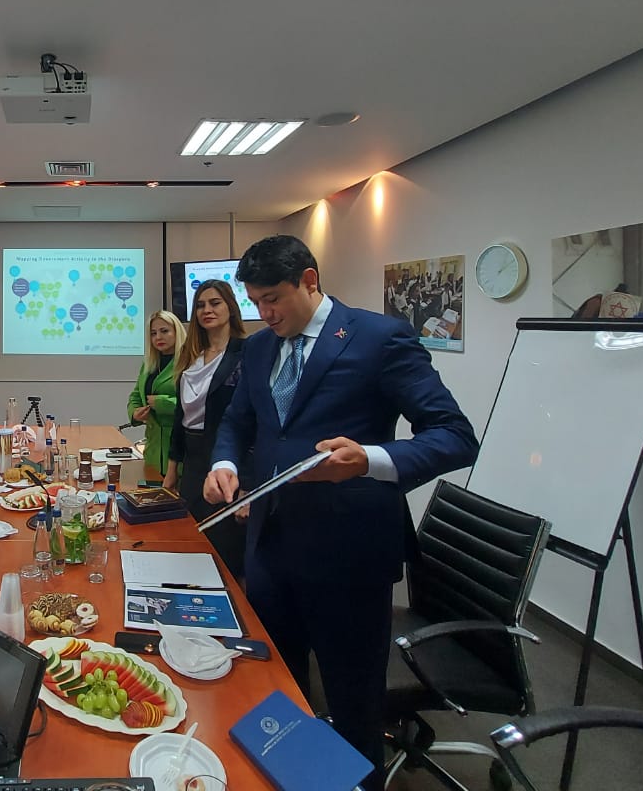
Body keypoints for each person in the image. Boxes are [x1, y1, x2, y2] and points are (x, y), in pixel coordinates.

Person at [203, 235, 478, 791]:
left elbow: (454, 436)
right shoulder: (259, 348)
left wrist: (369, 460)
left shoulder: (379, 338)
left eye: (273, 299)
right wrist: (225, 462)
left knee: (353, 703)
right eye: (255, 302)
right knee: (276, 691)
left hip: (348, 555)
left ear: (309, 280)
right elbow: (238, 421)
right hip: (270, 547)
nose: (265, 314)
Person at [164, 280, 249, 579]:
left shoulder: (245, 353)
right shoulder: (191, 354)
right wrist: (172, 471)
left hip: (226, 461)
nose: (206, 310)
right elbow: (181, 417)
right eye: (200, 305)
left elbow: (251, 422)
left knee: (224, 547)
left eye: (215, 303)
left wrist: (248, 486)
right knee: (192, 540)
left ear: (231, 307)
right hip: (193, 461)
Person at [127, 310, 186, 485]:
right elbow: (136, 395)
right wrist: (134, 413)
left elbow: (198, 403)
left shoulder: (189, 361)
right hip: (153, 449)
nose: (158, 337)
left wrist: (164, 403)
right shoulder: (150, 362)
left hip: (179, 448)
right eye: (153, 333)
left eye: (164, 331)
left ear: (177, 332)